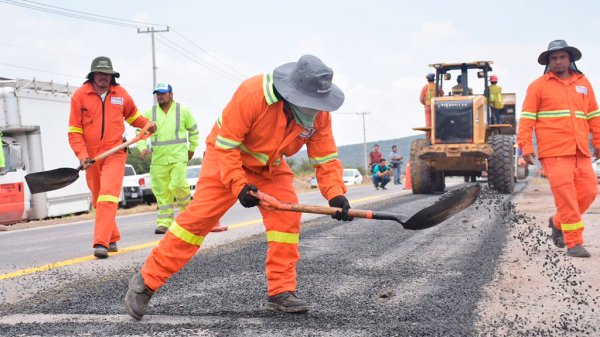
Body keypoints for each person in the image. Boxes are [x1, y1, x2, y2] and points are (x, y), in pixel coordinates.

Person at [124, 54, 354, 319]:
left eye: (318, 104)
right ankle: (146, 283)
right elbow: (227, 145)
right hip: (225, 158)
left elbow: (324, 156)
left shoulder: (319, 115)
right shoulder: (252, 94)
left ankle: (281, 290)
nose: (315, 110)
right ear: (291, 96)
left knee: (286, 220)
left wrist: (335, 194)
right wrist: (239, 186)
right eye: (310, 104)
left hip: (270, 166)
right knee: (195, 223)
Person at [518, 39, 599, 258]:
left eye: (563, 57)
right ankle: (573, 242)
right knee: (567, 199)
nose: (559, 62)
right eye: (554, 58)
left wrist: (599, 142)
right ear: (548, 62)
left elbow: (593, 115)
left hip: (580, 150)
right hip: (554, 152)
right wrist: (525, 145)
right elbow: (526, 119)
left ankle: (556, 222)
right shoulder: (538, 86)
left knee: (590, 191)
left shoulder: (584, 83)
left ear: (570, 59)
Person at [68, 56, 156, 259]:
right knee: (99, 199)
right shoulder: (80, 96)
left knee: (108, 195)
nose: (103, 78)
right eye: (99, 74)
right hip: (91, 157)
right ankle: (112, 236)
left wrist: (147, 125)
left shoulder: (121, 94)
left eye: (107, 74)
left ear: (112, 76)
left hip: (115, 152)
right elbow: (74, 131)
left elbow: (134, 116)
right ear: (92, 76)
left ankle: (101, 243)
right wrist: (82, 156)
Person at [137, 83, 200, 234]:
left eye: (163, 93)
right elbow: (140, 132)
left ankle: (188, 217)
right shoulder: (149, 113)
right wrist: (143, 147)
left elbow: (194, 132)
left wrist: (191, 149)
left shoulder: (183, 111)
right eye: (157, 94)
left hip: (178, 157)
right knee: (162, 193)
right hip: (158, 160)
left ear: (171, 95)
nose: (159, 96)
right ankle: (165, 222)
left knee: (178, 185)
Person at [419, 73, 444, 139]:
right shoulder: (437, 86)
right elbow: (442, 94)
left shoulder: (425, 87)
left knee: (428, 122)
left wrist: (425, 103)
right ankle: (437, 136)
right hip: (436, 106)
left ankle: (428, 137)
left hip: (428, 107)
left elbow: (421, 99)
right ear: (434, 79)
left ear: (427, 80)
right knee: (437, 121)